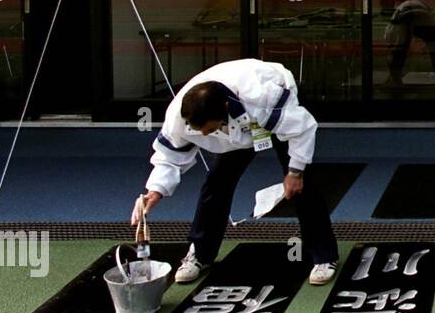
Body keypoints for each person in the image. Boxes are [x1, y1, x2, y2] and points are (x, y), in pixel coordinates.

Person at [130, 58, 339, 285]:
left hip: (271, 110)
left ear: (225, 110)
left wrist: (295, 172)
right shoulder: (179, 118)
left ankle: (324, 256)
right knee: (216, 184)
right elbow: (169, 156)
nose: (205, 136)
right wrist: (154, 192)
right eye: (200, 132)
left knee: (302, 185)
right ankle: (201, 253)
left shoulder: (262, 97)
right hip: (234, 132)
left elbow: (303, 128)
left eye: (209, 129)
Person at [385, 0, 435, 84]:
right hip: (430, 22)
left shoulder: (395, 27)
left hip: (421, 19)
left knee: (402, 50)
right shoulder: (399, 22)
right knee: (433, 50)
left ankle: (395, 77)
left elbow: (417, 12)